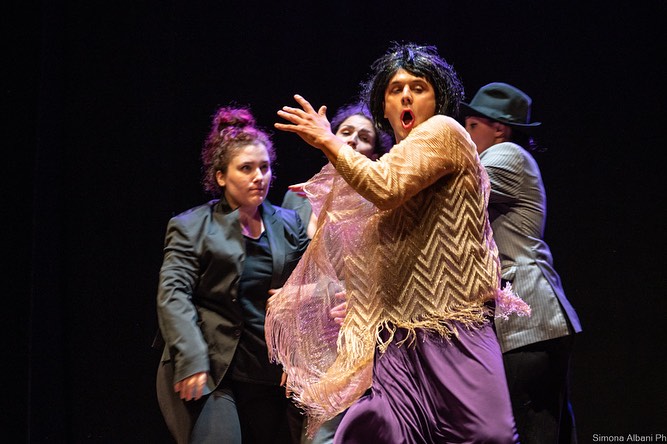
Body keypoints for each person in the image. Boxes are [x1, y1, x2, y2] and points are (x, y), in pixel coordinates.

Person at [265, 42, 530, 443]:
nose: (406, 95)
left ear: (437, 100)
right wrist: (364, 300)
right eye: (395, 89)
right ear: (385, 108)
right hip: (397, 339)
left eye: (418, 88)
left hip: (453, 328)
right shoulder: (400, 158)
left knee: (487, 436)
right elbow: (381, 244)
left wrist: (328, 140)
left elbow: (385, 186)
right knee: (375, 433)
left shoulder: (445, 132)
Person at [155, 105, 310, 444]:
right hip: (209, 370)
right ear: (221, 177)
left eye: (265, 167)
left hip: (267, 372)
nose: (259, 176)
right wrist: (191, 357)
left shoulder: (288, 224)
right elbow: (173, 294)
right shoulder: (192, 226)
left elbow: (309, 283)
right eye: (246, 168)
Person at [461, 82, 582, 443]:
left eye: (472, 126)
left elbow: (456, 190)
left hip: (530, 316)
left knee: (531, 427)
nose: (465, 135)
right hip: (537, 321)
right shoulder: (508, 156)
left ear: (500, 128)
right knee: (549, 426)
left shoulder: (506, 153)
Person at [280, 101, 390, 444]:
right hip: (305, 334)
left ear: (375, 154)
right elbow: (288, 272)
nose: (353, 139)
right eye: (346, 132)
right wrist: (291, 349)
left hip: (350, 330)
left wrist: (312, 294)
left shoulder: (377, 204)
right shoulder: (297, 198)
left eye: (364, 137)